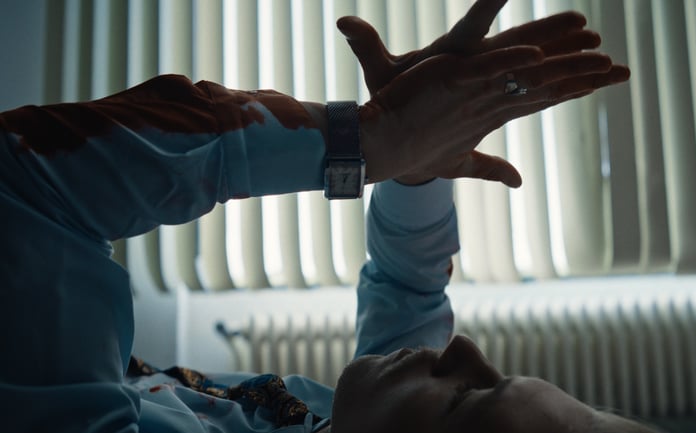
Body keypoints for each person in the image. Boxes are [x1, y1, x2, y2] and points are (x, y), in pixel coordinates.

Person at [0, 0, 641, 431]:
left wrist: (365, 139)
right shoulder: (348, 417)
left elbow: (24, 183)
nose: (466, 349)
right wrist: (417, 166)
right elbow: (408, 286)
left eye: (469, 400)